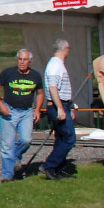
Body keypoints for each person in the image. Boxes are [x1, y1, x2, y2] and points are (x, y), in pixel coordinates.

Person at [0, 49, 44, 182]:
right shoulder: (8, 73)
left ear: (30, 61)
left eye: (25, 60)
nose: (22, 62)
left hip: (26, 111)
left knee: (26, 139)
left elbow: (40, 93)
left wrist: (37, 109)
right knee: (7, 144)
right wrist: (1, 105)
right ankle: (8, 176)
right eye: (20, 59)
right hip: (9, 110)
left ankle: (16, 156)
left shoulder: (35, 76)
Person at [41, 38, 76, 180]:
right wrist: (60, 109)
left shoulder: (57, 65)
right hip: (57, 105)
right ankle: (50, 165)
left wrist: (70, 107)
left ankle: (59, 168)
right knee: (69, 138)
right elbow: (53, 88)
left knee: (61, 138)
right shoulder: (55, 66)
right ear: (65, 49)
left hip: (62, 104)